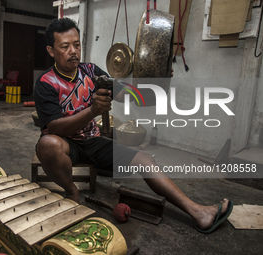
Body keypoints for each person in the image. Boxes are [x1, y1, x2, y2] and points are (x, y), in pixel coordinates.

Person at [34, 18, 233, 234]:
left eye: (77, 44)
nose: (73, 51)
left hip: (92, 142)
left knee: (145, 159)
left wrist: (160, 85)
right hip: (66, 145)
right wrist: (91, 111)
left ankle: (199, 213)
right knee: (48, 144)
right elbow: (54, 128)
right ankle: (71, 192)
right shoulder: (47, 83)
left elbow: (128, 94)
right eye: (65, 46)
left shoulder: (91, 71)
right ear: (51, 51)